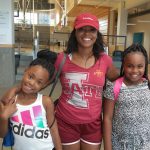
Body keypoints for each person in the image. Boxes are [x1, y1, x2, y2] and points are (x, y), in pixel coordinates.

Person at [1, 13, 119, 150]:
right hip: (66, 121)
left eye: (92, 30)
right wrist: (15, 90)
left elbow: (118, 82)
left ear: (97, 33)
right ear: (75, 32)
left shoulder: (105, 60)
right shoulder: (62, 58)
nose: (87, 33)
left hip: (93, 123)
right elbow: (42, 81)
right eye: (82, 29)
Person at [0, 55, 62, 150]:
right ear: (25, 70)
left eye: (39, 82)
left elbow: (53, 129)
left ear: (44, 85)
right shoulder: (10, 100)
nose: (32, 83)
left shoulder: (45, 102)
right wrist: (4, 117)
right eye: (30, 77)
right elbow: (2, 134)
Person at [103, 43, 150, 150]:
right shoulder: (114, 87)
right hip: (120, 144)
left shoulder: (147, 84)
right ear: (123, 65)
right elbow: (107, 118)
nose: (134, 71)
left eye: (140, 66)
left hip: (145, 144)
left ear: (145, 65)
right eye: (130, 66)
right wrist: (107, 147)